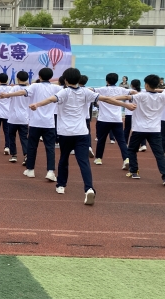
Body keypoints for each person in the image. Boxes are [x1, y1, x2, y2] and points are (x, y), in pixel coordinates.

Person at [29, 67, 133, 205]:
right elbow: (106, 99)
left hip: (66, 133)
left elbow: (50, 99)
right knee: (83, 162)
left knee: (64, 159)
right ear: (78, 79)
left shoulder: (64, 92)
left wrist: (37, 104)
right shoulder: (85, 92)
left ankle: (61, 185)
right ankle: (89, 188)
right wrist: (125, 105)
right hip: (82, 133)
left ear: (66, 80)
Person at [0, 67, 60, 182]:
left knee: (32, 146)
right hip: (49, 123)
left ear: (39, 76)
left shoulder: (35, 86)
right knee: (50, 148)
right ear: (51, 77)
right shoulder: (56, 88)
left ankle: (30, 169)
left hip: (35, 122)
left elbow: (22, 92)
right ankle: (50, 171)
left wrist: (8, 95)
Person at [116, 74, 165, 184]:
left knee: (132, 150)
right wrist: (156, 89)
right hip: (155, 130)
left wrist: (110, 98)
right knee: (159, 154)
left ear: (146, 85)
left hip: (139, 129)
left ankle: (134, 171)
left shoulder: (141, 95)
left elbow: (126, 97)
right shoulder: (162, 96)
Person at [91, 73, 134, 169]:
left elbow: (90, 89)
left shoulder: (102, 89)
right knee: (121, 141)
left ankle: (98, 158)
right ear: (117, 80)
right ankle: (126, 159)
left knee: (101, 140)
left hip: (104, 119)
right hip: (117, 119)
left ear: (106, 81)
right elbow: (133, 92)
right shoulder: (121, 89)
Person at [5, 71, 30, 164]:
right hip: (24, 118)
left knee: (12, 136)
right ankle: (26, 156)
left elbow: (7, 96)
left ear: (17, 78)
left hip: (13, 118)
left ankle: (14, 155)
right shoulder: (29, 89)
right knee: (24, 138)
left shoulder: (14, 88)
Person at [123, 79, 147, 152]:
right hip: (140, 113)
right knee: (141, 128)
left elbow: (124, 98)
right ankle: (143, 144)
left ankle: (125, 143)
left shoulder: (128, 91)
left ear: (131, 85)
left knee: (127, 129)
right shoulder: (143, 91)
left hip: (129, 112)